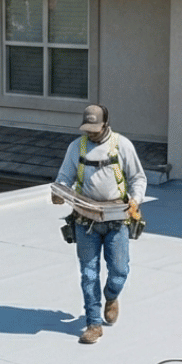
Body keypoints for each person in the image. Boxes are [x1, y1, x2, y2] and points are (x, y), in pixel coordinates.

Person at [53, 104, 146, 344]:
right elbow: (64, 177)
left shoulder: (122, 145)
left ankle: (112, 295)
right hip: (86, 220)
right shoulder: (77, 147)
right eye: (88, 128)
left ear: (106, 123)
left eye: (95, 128)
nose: (91, 133)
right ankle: (93, 323)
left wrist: (135, 201)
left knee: (119, 270)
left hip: (117, 219)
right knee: (88, 273)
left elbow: (137, 177)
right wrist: (59, 192)